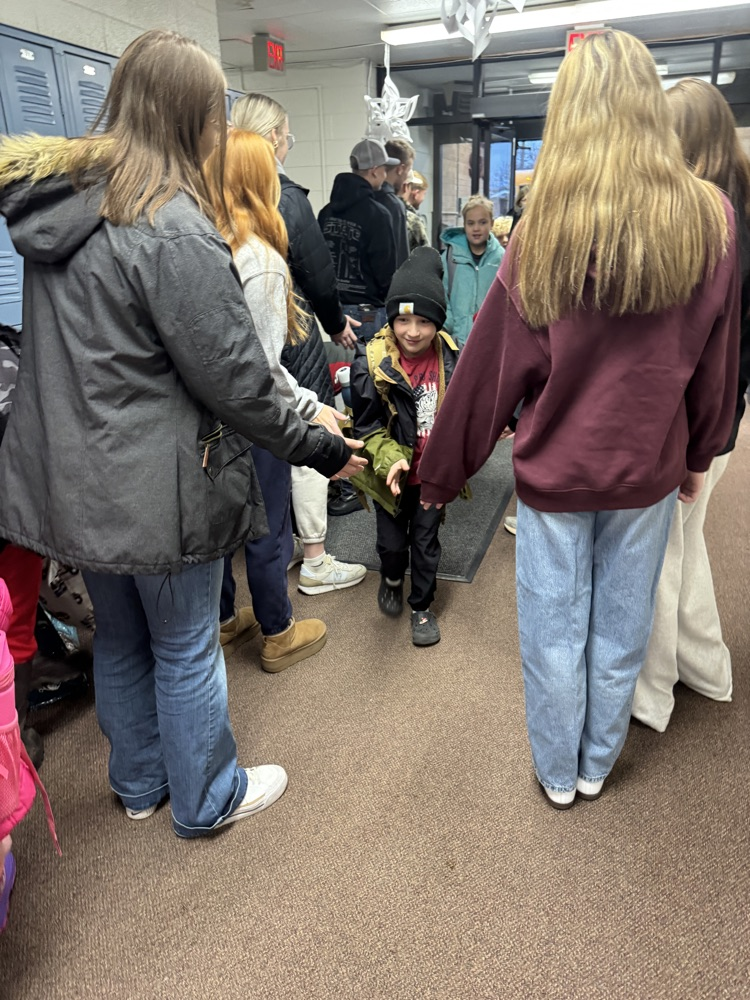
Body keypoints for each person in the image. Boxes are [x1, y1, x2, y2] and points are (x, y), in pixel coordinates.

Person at [0, 29, 364, 838]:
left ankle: (137, 785)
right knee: (189, 645)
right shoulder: (172, 226)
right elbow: (234, 378)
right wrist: (322, 447)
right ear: (189, 117)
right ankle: (208, 798)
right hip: (158, 486)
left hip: (79, 480)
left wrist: (305, 411)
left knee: (122, 642)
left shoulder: (65, 208)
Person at [418, 30, 740, 809]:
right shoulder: (712, 221)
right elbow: (715, 362)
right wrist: (703, 451)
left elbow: (492, 370)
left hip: (558, 469)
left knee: (554, 633)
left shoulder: (543, 231)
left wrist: (439, 471)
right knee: (622, 627)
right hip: (649, 467)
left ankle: (559, 774)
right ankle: (597, 763)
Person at [206, 129, 364, 669]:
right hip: (254, 416)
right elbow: (263, 368)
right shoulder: (262, 257)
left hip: (210, 417)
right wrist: (310, 407)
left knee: (223, 527)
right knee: (268, 523)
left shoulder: (206, 241)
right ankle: (278, 630)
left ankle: (226, 620)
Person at [632, 78, 750, 732]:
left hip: (698, 417)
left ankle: (651, 694)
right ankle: (707, 667)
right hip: (724, 414)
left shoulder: (711, 224)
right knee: (686, 540)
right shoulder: (740, 208)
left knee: (659, 554)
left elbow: (705, 351)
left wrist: (699, 441)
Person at [351, 248, 460, 648]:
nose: (412, 331)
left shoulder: (451, 357)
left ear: (437, 322)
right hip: (389, 475)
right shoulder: (371, 362)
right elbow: (367, 426)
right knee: (392, 544)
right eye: (402, 320)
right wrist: (391, 459)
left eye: (423, 321)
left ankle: (422, 605)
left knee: (427, 542)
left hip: (432, 476)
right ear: (390, 319)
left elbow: (463, 419)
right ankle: (393, 577)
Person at [318, 137, 399, 343]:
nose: (385, 174)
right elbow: (385, 273)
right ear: (374, 170)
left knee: (341, 372)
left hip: (336, 316)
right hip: (369, 313)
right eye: (384, 168)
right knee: (373, 373)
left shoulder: (326, 213)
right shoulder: (378, 214)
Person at [441, 194, 504, 348]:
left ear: (492, 223)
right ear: (464, 225)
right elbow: (441, 294)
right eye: (471, 223)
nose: (476, 228)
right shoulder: (450, 257)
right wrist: (448, 327)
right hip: (455, 341)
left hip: (490, 343)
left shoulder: (502, 259)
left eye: (482, 222)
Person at [374, 138, 414, 268]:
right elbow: (400, 257)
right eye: (408, 171)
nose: (406, 179)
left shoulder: (365, 197)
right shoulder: (394, 206)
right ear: (400, 169)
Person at [400, 170, 429, 253]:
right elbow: (426, 256)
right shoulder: (413, 221)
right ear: (416, 194)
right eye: (424, 194)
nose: (424, 198)